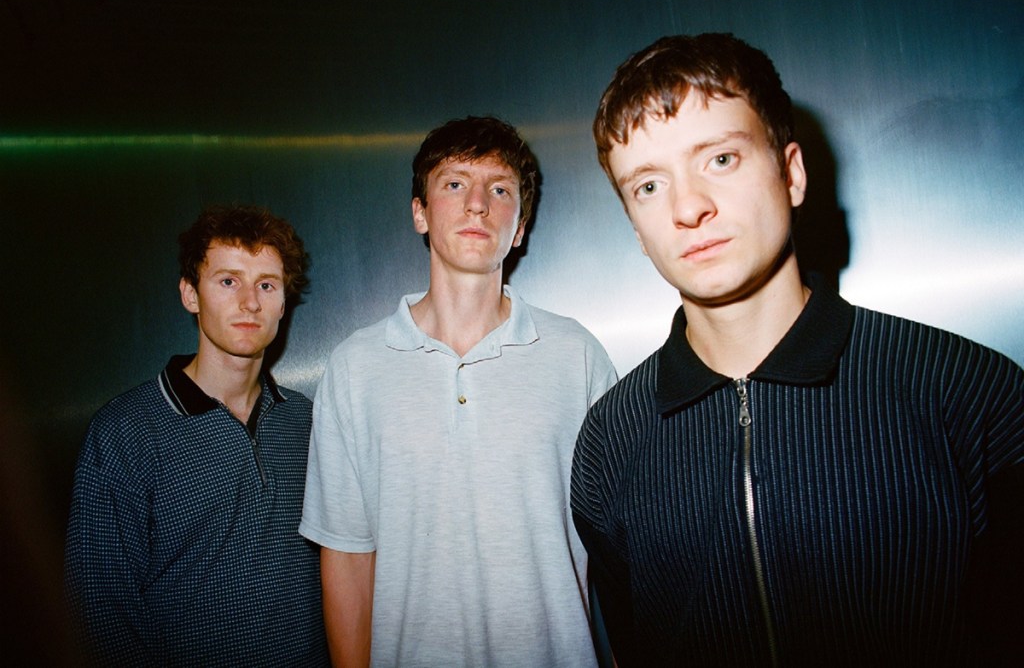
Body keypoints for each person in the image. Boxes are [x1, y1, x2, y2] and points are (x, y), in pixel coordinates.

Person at [571, 33, 1024, 666]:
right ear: (636, 229)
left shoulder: (967, 390)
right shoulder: (609, 441)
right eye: (648, 185)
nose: (688, 207)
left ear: (792, 174)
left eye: (720, 159)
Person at [300, 116, 617, 667]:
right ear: (420, 213)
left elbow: (620, 551)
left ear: (520, 228)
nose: (477, 205)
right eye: (454, 183)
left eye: (500, 190)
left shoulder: (578, 356)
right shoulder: (354, 369)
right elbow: (348, 559)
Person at [64, 205, 329, 666]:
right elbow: (101, 611)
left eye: (266, 285)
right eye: (228, 281)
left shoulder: (305, 420)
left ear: (283, 304)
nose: (250, 303)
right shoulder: (126, 431)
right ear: (191, 294)